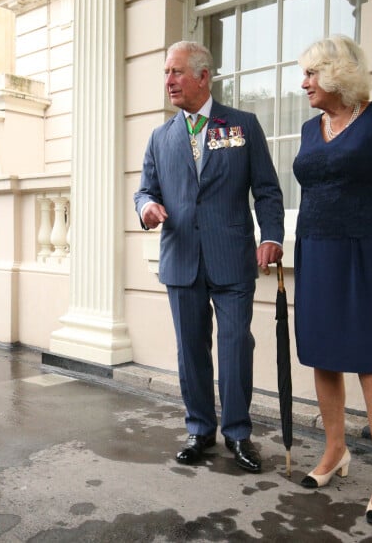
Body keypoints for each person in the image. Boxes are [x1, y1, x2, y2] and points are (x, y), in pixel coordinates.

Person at [134, 41, 284, 473]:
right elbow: (146, 189)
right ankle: (200, 430)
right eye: (166, 73)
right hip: (181, 258)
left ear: (203, 77)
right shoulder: (160, 137)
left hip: (232, 257)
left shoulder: (242, 125)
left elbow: (268, 191)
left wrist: (271, 235)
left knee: (236, 345)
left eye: (177, 72)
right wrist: (145, 207)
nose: (169, 81)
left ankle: (238, 434)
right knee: (190, 350)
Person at [293, 35, 372, 526]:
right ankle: (335, 450)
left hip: (364, 254)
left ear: (338, 75)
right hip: (315, 250)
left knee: (370, 361)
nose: (304, 85)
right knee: (322, 354)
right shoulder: (307, 128)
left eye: (312, 75)